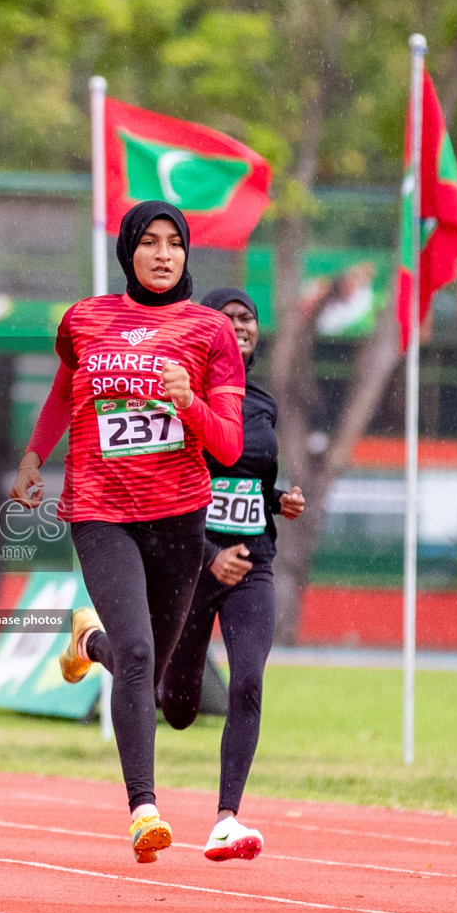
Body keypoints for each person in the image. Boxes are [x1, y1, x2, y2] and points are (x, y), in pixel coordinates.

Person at [10, 201, 245, 863]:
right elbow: (63, 392)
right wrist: (33, 460)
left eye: (175, 243)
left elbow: (227, 448)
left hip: (178, 516)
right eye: (150, 242)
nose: (164, 254)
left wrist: (187, 401)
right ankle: (144, 808)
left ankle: (88, 639)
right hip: (100, 510)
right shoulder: (85, 319)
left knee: (164, 680)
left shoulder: (210, 333)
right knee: (138, 656)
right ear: (128, 252)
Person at [157, 287, 304, 862]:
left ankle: (227, 818)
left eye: (249, 318)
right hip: (192, 567)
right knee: (180, 709)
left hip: (253, 566)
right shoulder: (178, 397)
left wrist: (280, 501)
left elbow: (252, 480)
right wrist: (208, 552)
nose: (241, 325)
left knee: (248, 681)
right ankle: (96, 641)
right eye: (228, 317)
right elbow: (169, 492)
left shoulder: (264, 402)